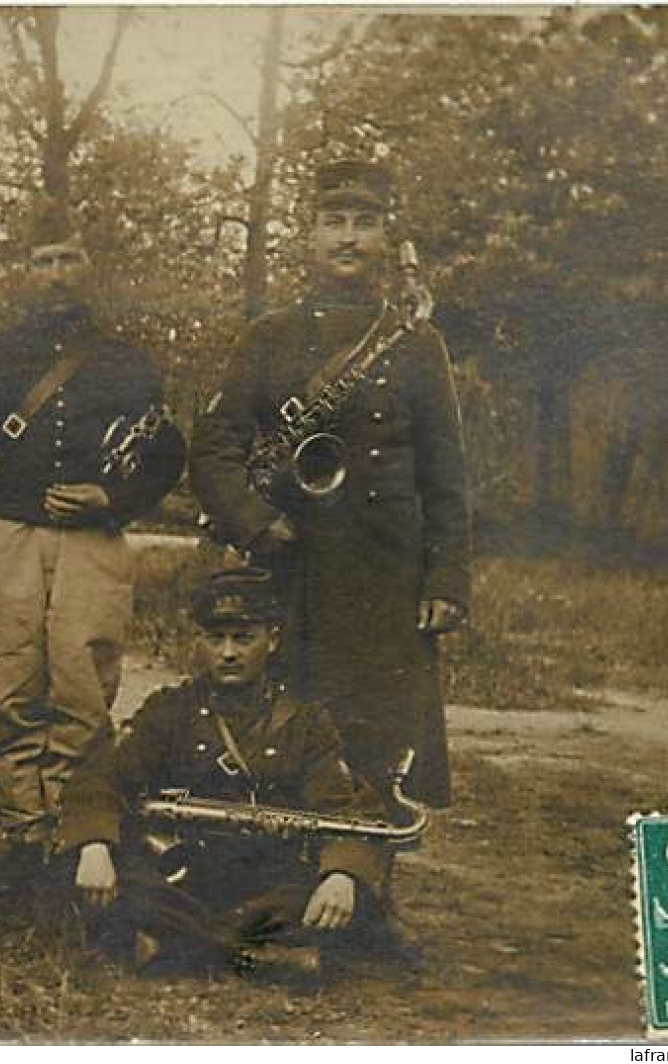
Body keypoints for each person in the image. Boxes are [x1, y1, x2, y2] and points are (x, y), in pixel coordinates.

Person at [189, 159, 470, 808]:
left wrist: (446, 579)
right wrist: (256, 522)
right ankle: (285, 891)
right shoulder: (269, 337)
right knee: (281, 734)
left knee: (379, 746)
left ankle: (366, 892)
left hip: (385, 577)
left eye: (363, 224)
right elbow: (215, 448)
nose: (347, 238)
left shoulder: (416, 343)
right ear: (308, 237)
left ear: (383, 239)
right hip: (292, 575)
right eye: (332, 222)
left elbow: (446, 474)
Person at [0, 199, 184, 845]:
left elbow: (165, 453)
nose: (55, 275)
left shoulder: (125, 361)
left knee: (83, 690)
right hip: (3, 537)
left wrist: (114, 498)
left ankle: (75, 833)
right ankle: (17, 833)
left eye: (66, 259)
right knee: (5, 691)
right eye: (42, 262)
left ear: (87, 264)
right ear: (23, 271)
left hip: (91, 545)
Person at [55, 569, 406, 975]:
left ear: (272, 640)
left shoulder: (305, 722)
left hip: (267, 883)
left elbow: (345, 807)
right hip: (182, 877)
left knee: (342, 898)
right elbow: (101, 777)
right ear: (198, 641)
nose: (227, 653)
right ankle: (252, 955)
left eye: (243, 638)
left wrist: (342, 873)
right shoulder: (170, 710)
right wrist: (95, 845)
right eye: (214, 638)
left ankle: (178, 948)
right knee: (90, 868)